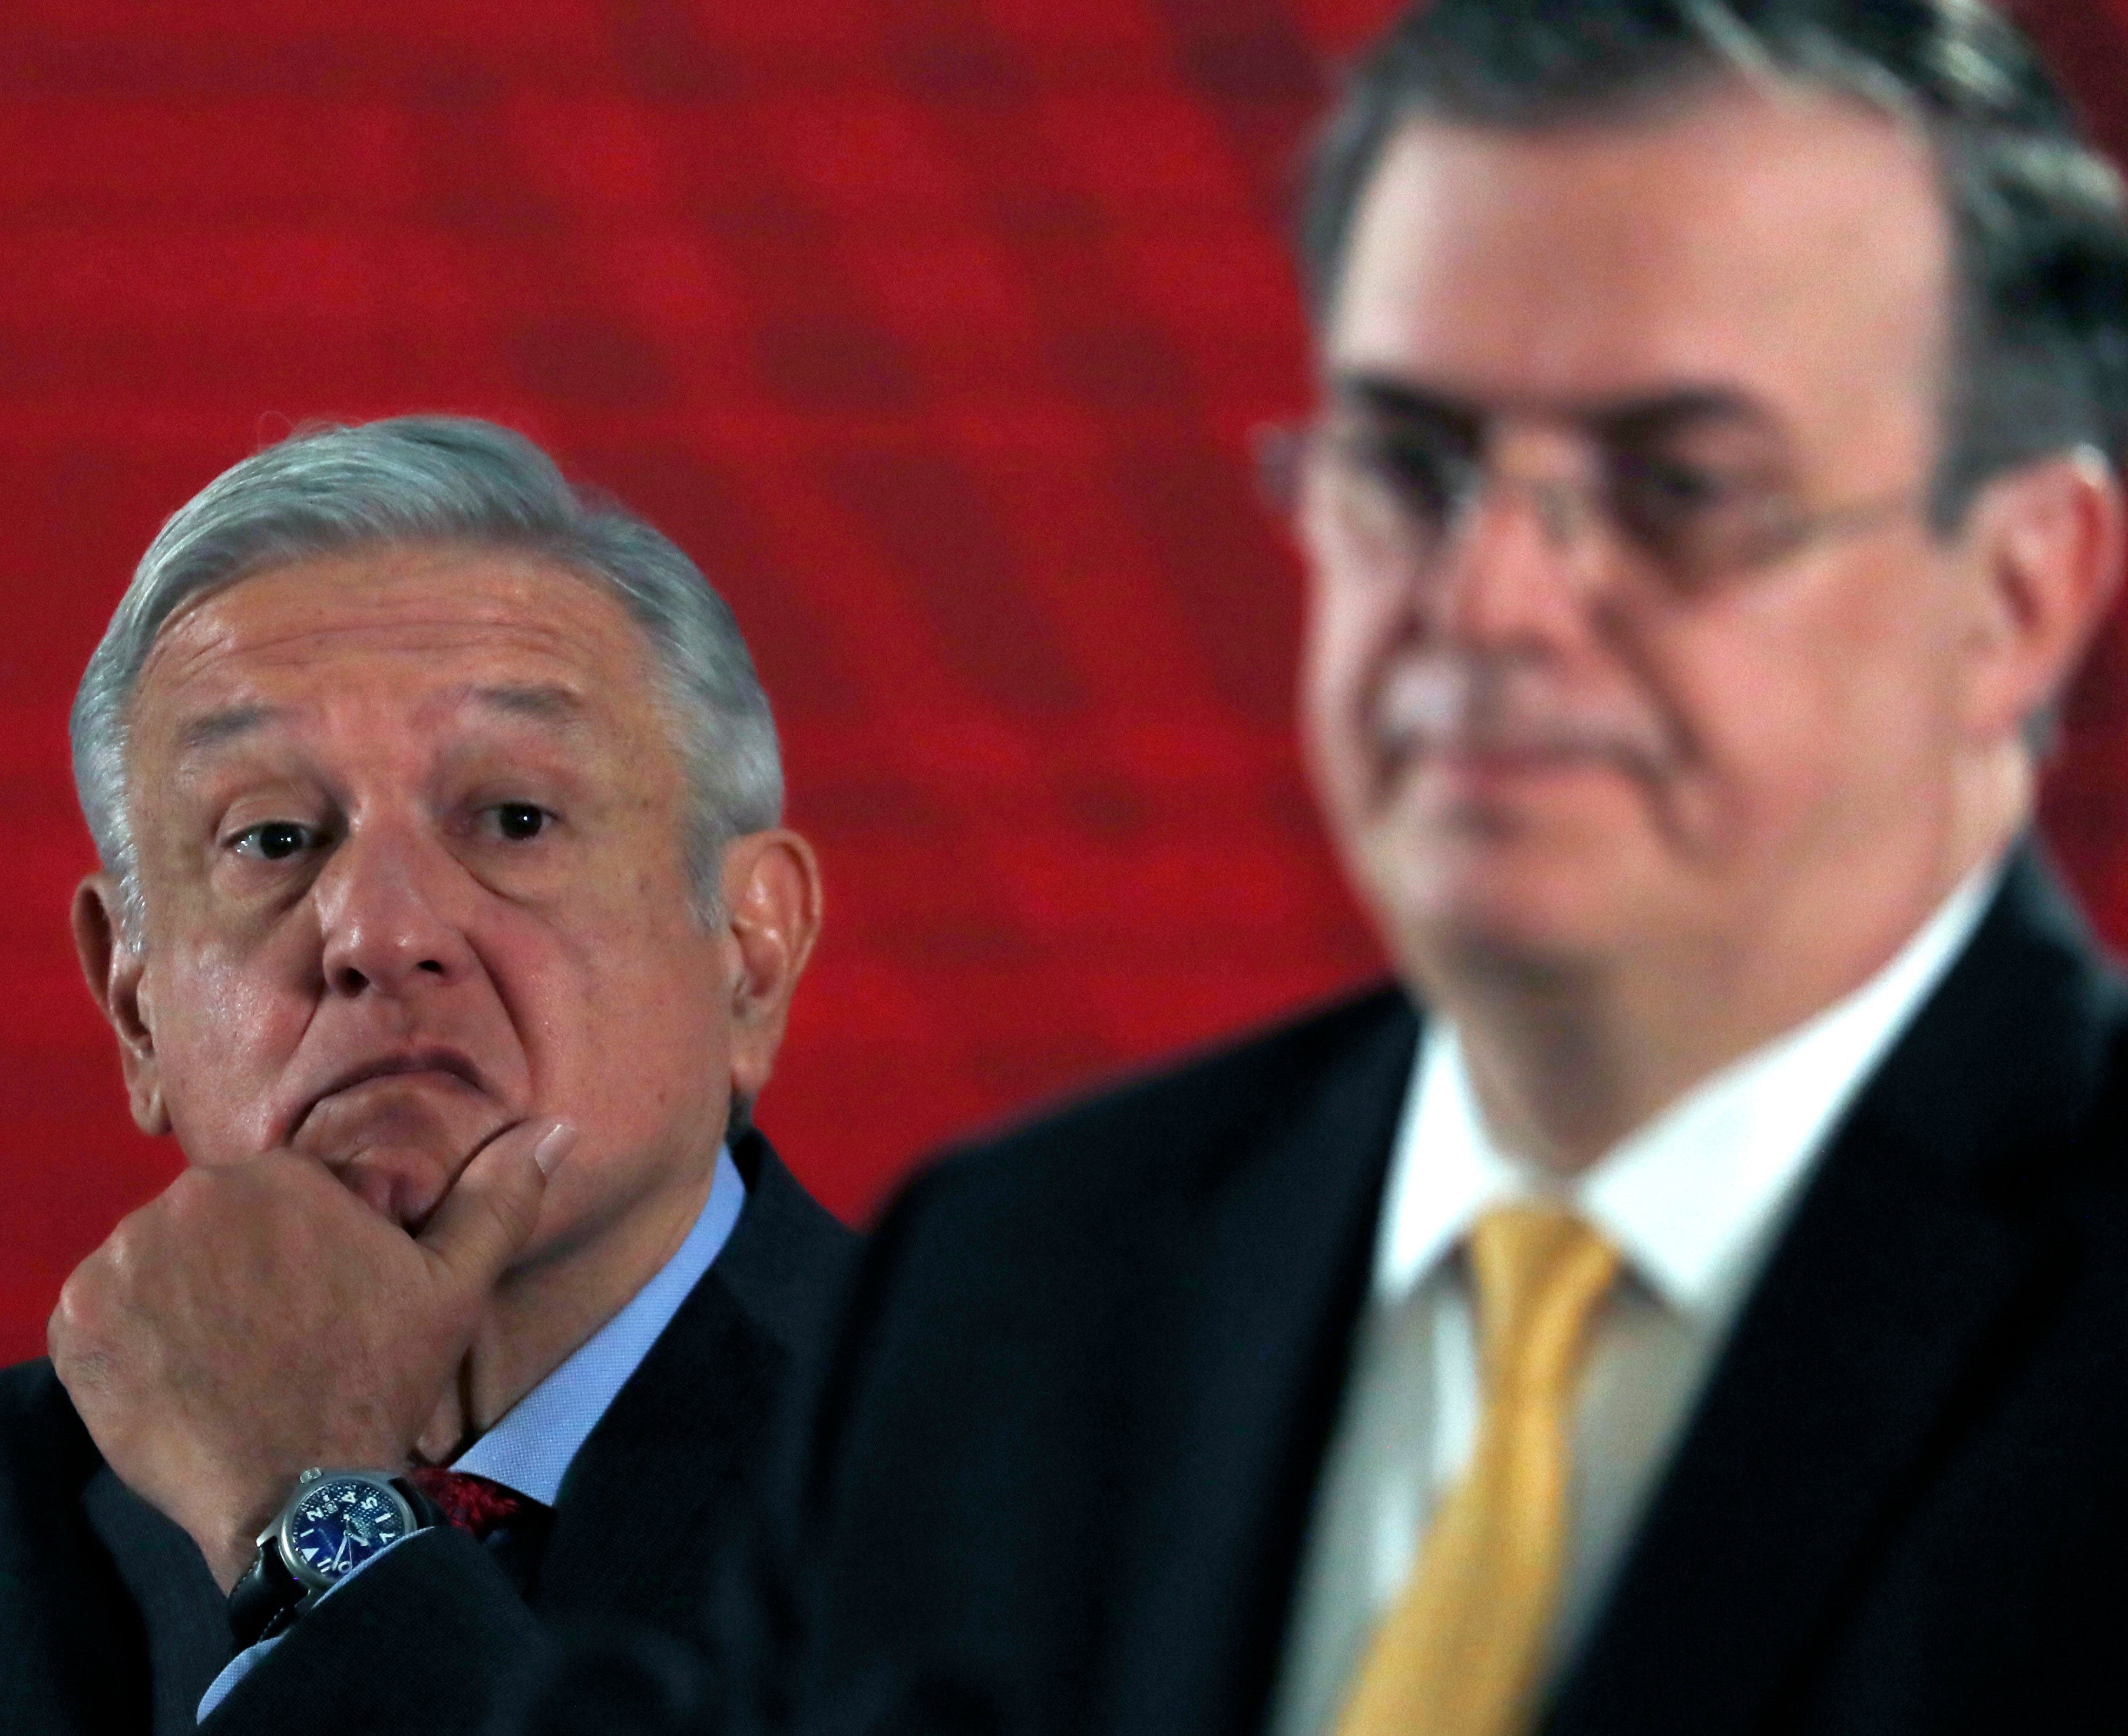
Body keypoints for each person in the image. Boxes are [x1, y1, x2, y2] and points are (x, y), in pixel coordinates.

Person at [323, 1, 2128, 1732]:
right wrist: (309, 1500)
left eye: (1677, 487)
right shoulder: (1015, 1283)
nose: (1486, 601)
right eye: (1412, 464)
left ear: (2022, 588)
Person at [0, 416, 855, 1735]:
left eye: (514, 819)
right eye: (272, 836)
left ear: (751, 953)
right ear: (135, 1009)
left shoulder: (1061, 1474)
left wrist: (309, 1522)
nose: (380, 934)